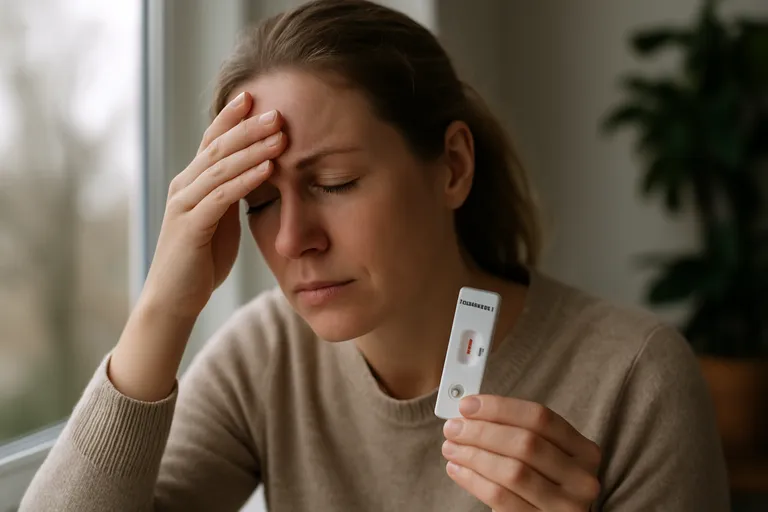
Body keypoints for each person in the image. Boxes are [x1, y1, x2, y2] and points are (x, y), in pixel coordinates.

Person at [20, 0, 730, 510]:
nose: (292, 239)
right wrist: (161, 310)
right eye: (259, 202)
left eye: (334, 182)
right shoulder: (265, 356)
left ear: (452, 167)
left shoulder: (635, 379)